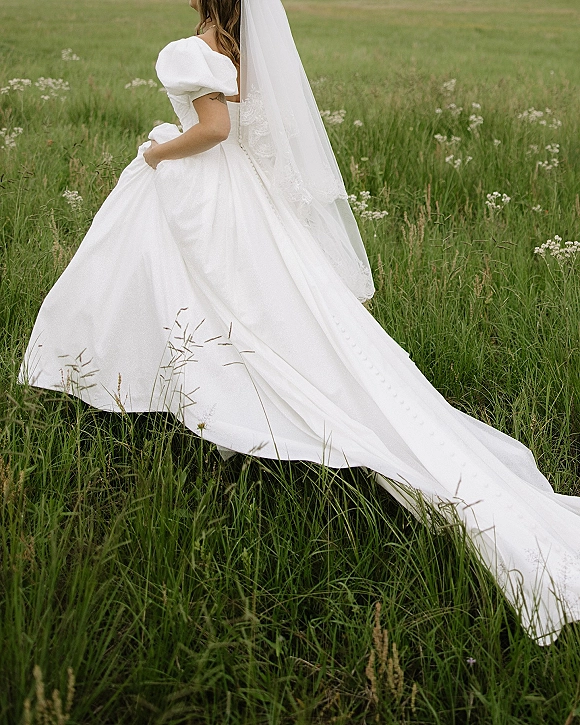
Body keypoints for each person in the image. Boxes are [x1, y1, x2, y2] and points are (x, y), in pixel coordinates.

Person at [19, 0, 580, 645]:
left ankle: (164, 390)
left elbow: (215, 130)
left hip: (200, 178)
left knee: (200, 297)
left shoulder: (195, 48)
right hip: (234, 189)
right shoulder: (238, 48)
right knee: (221, 298)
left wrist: (154, 152)